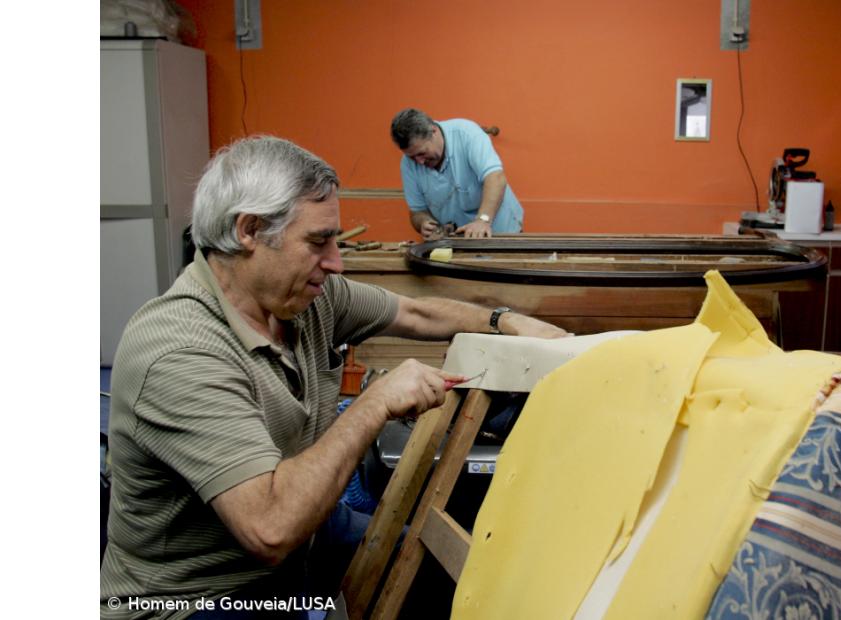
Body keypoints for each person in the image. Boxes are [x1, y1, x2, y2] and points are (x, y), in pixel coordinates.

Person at [100, 135, 567, 619]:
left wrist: (504, 321)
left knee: (453, 577)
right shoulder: (180, 351)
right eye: (318, 241)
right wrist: (374, 403)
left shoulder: (306, 299)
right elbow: (270, 529)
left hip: (310, 537)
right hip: (199, 595)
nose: (336, 263)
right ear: (249, 230)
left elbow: (416, 313)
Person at [390, 108, 523, 239]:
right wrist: (423, 222)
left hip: (500, 232)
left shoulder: (467, 134)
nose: (419, 161)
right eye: (412, 157)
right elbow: (417, 211)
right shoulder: (407, 164)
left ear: (433, 131)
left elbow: (496, 178)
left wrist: (483, 220)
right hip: (456, 241)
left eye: (422, 153)